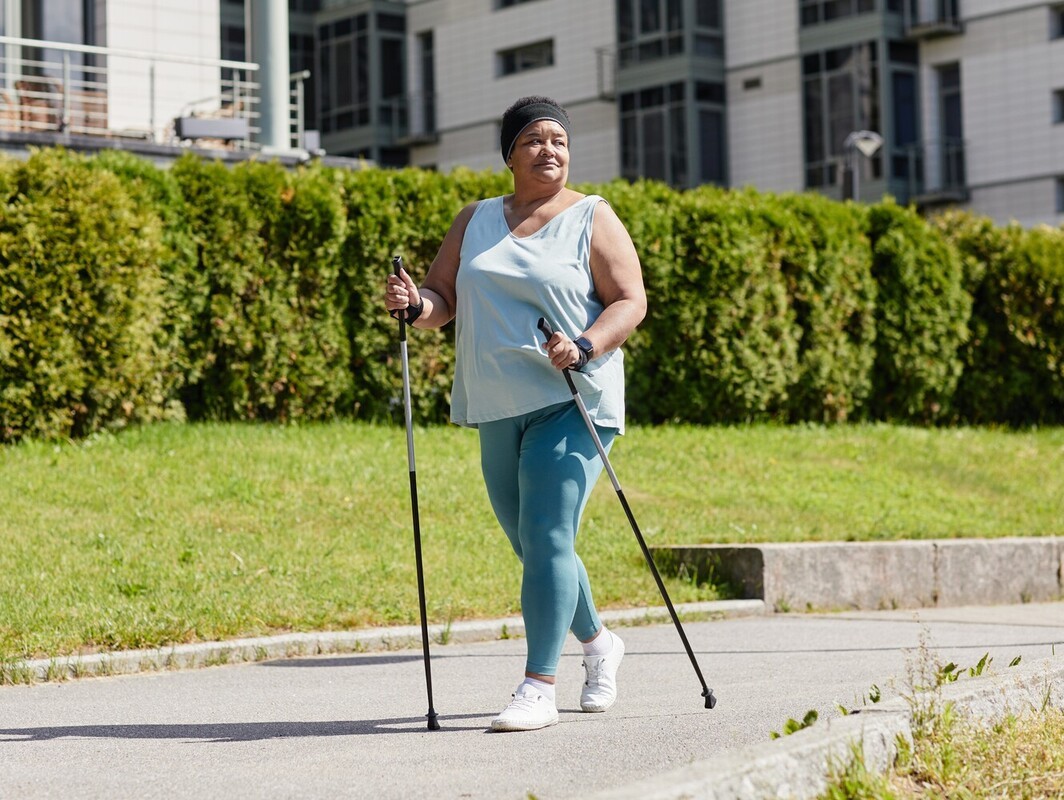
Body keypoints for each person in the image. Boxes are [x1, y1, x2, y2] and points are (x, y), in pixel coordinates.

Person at [385, 96, 646, 732]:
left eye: (558, 139)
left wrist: (584, 344)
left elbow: (629, 300)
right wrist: (413, 303)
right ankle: (599, 644)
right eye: (533, 139)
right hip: (495, 399)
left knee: (551, 534)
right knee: (529, 543)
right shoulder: (473, 219)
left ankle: (537, 685)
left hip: (572, 399)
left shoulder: (592, 215)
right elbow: (441, 297)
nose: (549, 149)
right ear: (509, 155)